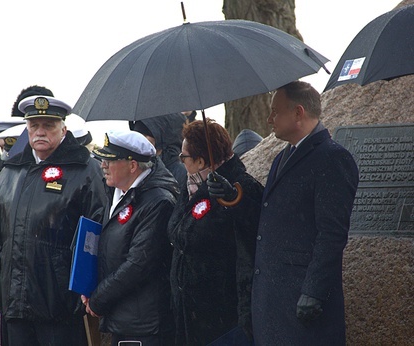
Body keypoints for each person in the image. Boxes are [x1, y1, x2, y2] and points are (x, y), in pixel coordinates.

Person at [0, 95, 106, 345]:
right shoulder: (9, 172)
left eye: (48, 125)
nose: (40, 132)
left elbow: (95, 235)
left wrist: (88, 289)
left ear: (63, 129)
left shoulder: (84, 170)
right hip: (14, 301)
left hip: (60, 303)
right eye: (34, 126)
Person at [251, 81, 359, 345]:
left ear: (298, 113)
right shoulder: (282, 157)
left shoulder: (332, 159)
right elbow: (274, 214)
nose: (268, 119)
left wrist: (314, 291)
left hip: (303, 305)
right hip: (274, 302)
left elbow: (332, 233)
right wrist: (234, 196)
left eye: (275, 111)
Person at [167, 118, 263, 345]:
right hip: (189, 317)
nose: (181, 161)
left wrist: (234, 200)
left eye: (184, 157)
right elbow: (178, 232)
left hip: (223, 320)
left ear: (200, 161)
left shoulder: (241, 185)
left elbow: (256, 228)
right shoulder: (191, 185)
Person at [84, 130, 179, 346]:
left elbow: (139, 264)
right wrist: (89, 286)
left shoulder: (158, 201)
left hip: (144, 324)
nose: (102, 166)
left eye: (109, 160)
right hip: (123, 318)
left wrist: (99, 298)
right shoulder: (118, 193)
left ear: (132, 165)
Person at [129, 112, 187, 188]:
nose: (141, 140)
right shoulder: (136, 167)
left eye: (145, 136)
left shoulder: (180, 171)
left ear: (159, 137)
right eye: (138, 135)